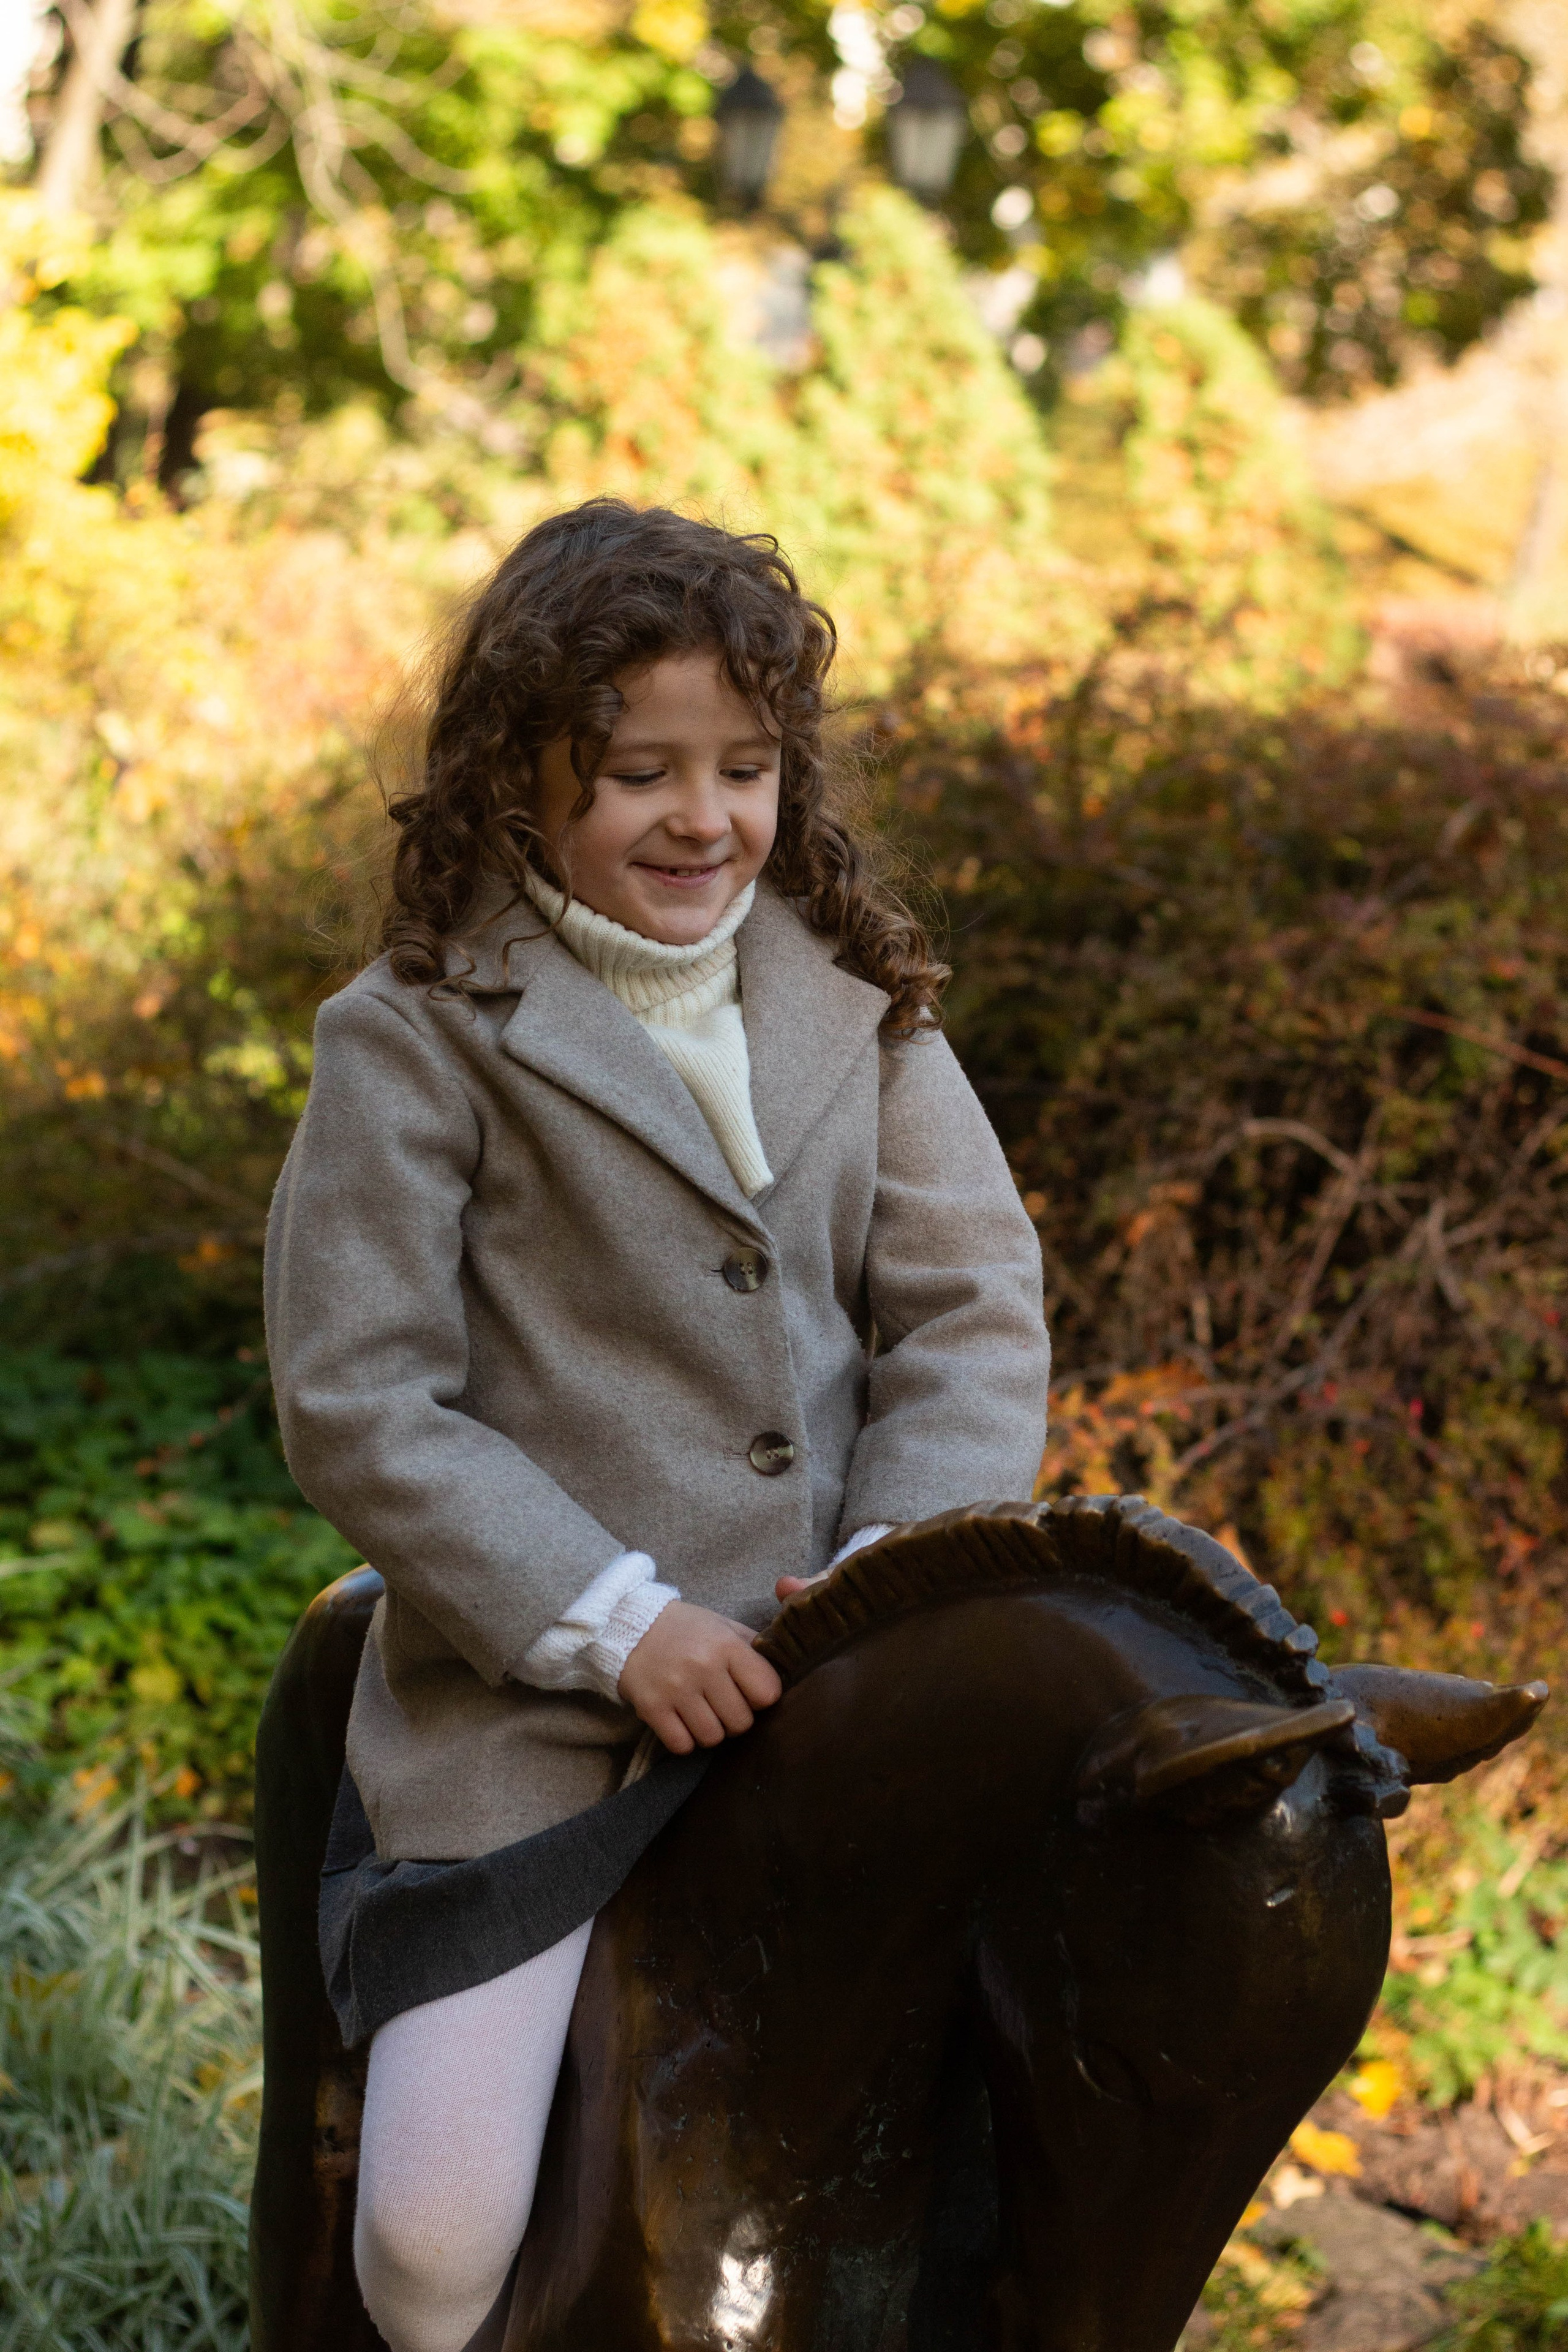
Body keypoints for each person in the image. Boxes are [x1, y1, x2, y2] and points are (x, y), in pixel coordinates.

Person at [264, 499, 1051, 2352]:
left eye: (746, 769)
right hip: (534, 1711)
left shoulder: (864, 1013)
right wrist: (617, 1623)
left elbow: (969, 1313)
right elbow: (363, 1401)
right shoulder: (416, 1034)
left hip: (843, 1677)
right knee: (437, 2237)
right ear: (514, 782)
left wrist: (886, 1594)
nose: (704, 818)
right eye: (638, 773)